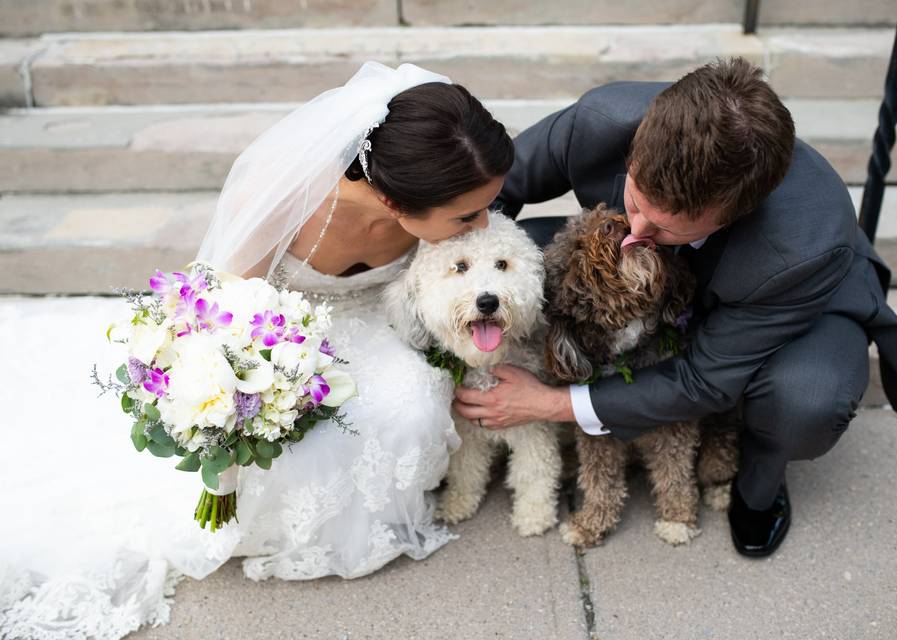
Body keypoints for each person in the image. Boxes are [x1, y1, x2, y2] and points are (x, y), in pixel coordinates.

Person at [0, 62, 514, 638]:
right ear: (394, 202)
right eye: (468, 215)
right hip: (277, 333)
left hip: (375, 322)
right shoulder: (281, 196)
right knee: (304, 440)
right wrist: (249, 390)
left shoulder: (446, 190)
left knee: (412, 403)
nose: (484, 222)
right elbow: (223, 318)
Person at [453, 58, 897, 557]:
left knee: (807, 399)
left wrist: (552, 404)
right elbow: (491, 197)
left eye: (664, 229)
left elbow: (704, 378)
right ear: (635, 149)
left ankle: (755, 479)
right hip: (644, 285)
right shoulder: (603, 120)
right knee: (525, 264)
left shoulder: (804, 246)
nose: (635, 236)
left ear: (735, 215)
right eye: (636, 201)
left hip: (784, 297)